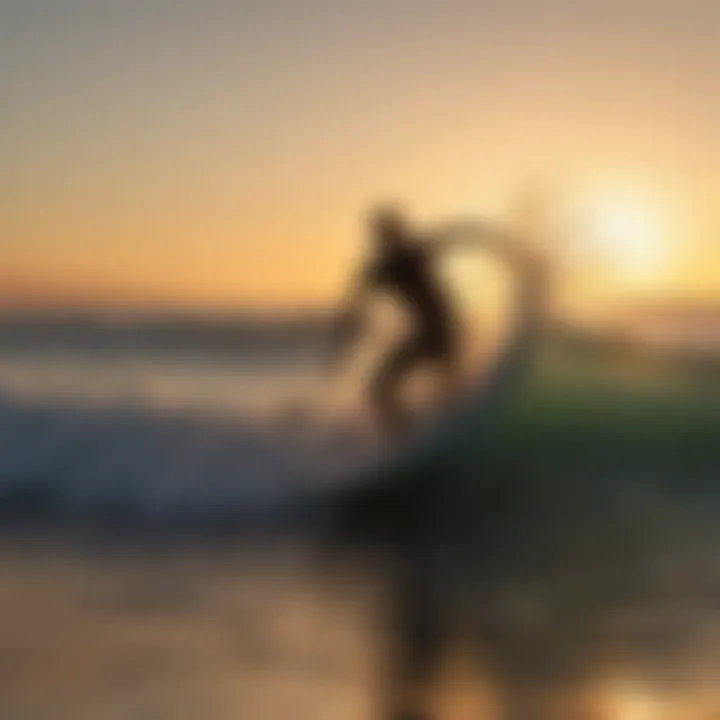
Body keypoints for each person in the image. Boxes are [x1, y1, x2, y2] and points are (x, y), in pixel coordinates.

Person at [329, 205, 485, 438]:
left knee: (449, 387)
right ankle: (407, 439)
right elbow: (356, 307)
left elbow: (454, 237)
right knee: (381, 389)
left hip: (446, 332)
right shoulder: (382, 268)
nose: (391, 238)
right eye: (386, 234)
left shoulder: (413, 253)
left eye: (393, 232)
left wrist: (500, 243)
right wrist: (340, 342)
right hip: (427, 335)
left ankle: (454, 434)